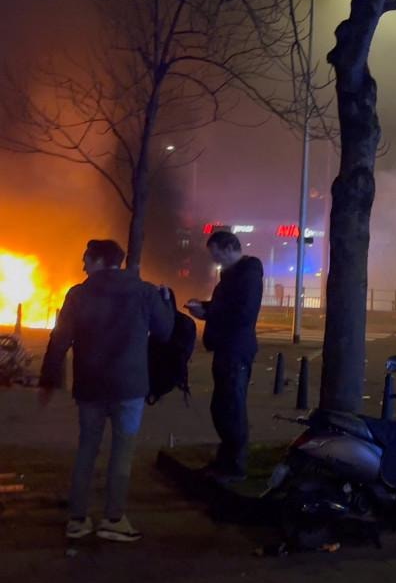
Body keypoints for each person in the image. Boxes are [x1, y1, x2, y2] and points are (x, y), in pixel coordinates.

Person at [39, 240, 173, 542]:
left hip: (90, 386)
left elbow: (59, 340)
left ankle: (78, 519)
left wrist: (48, 380)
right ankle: (113, 519)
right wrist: (166, 303)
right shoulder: (144, 292)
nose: (83, 265)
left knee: (87, 448)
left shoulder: (78, 294)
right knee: (122, 452)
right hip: (129, 386)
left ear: (99, 261)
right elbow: (165, 332)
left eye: (86, 259)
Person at [185, 231, 263, 482]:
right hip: (228, 347)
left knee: (230, 406)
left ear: (229, 248)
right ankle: (226, 460)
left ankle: (234, 466)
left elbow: (243, 313)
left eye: (216, 253)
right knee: (223, 406)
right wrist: (205, 307)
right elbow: (229, 307)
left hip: (235, 349)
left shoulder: (247, 275)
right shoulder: (234, 276)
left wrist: (208, 312)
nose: (214, 259)